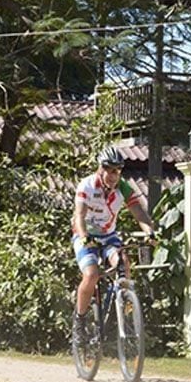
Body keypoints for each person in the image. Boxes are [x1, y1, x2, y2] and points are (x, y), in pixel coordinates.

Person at [70, 146, 155, 346]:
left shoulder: (123, 188)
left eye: (117, 171)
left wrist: (149, 231)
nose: (113, 175)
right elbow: (79, 216)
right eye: (109, 169)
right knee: (91, 275)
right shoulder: (87, 186)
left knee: (124, 262)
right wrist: (83, 236)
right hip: (85, 236)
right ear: (100, 168)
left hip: (109, 237)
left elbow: (139, 213)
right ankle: (79, 321)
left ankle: (125, 303)